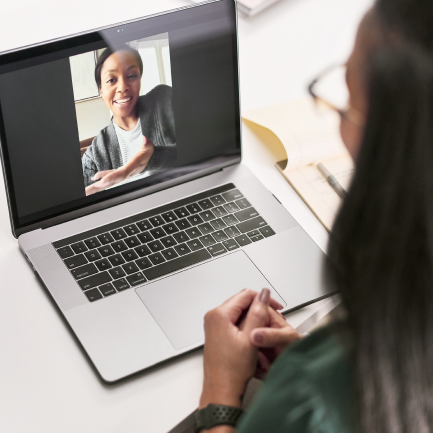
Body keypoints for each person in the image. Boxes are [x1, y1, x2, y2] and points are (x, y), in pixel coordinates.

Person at [197, 0, 433, 432]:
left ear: (391, 143)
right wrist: (325, 350)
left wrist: (219, 395)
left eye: (346, 101)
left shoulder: (308, 403)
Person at [82, 45, 176, 195]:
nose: (122, 87)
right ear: (101, 90)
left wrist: (152, 159)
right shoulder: (94, 155)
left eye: (132, 76)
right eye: (112, 79)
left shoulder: (165, 101)